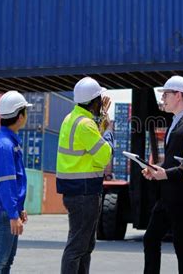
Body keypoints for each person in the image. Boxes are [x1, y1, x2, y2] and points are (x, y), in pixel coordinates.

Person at [141, 76, 183, 274]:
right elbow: (173, 162)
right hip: (167, 196)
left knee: (182, 246)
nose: (163, 98)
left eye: (166, 94)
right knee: (150, 239)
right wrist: (155, 170)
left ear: (179, 95)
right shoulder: (175, 122)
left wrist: (165, 174)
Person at [56, 77, 114, 274]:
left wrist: (100, 120)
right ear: (95, 102)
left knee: (85, 245)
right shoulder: (85, 125)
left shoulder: (73, 118)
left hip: (77, 191)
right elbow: (105, 155)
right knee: (77, 247)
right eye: (100, 99)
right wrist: (108, 130)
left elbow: (89, 143)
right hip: (84, 193)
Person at [0, 90, 33, 273]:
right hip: (3, 211)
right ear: (20, 116)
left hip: (7, 209)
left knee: (6, 261)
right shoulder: (5, 145)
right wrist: (13, 214)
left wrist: (19, 208)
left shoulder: (7, 141)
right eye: (26, 112)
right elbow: (6, 183)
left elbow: (13, 181)